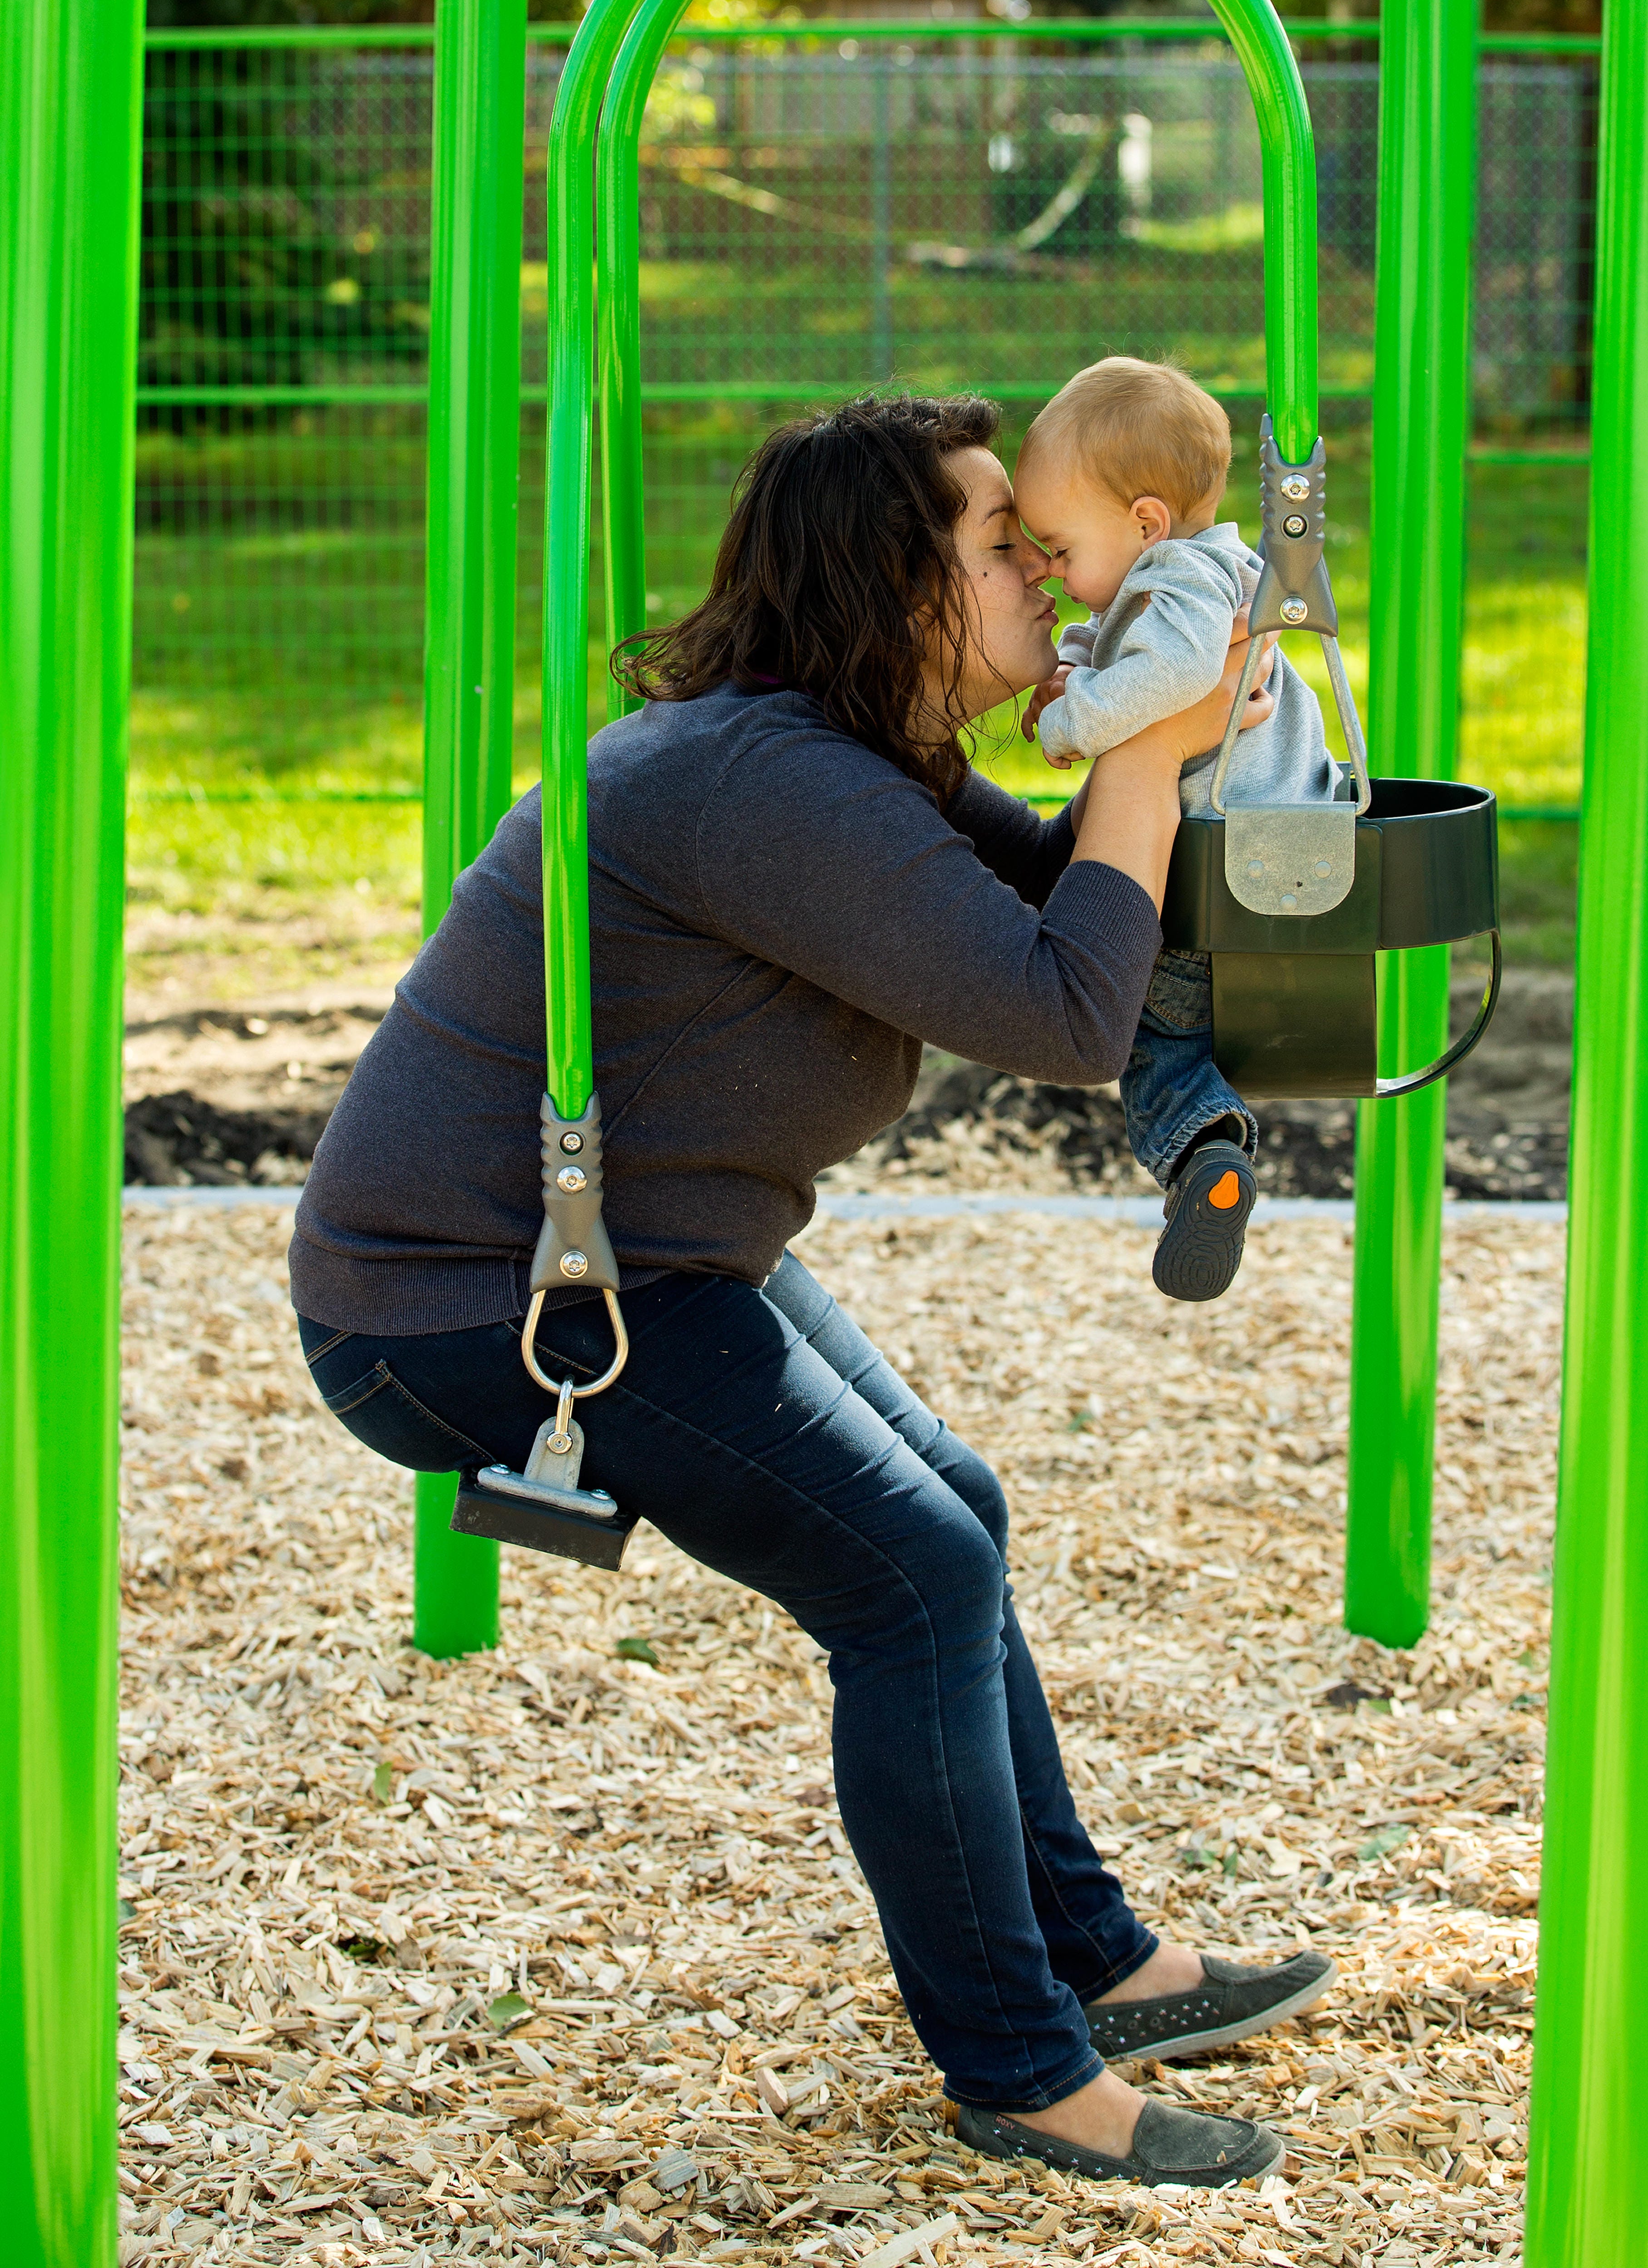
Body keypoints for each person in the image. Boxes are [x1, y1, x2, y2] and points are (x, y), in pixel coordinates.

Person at [290, 394, 1335, 2189]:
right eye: (999, 540)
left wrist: (1217, 753)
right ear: (890, 583)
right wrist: (1143, 758)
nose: (1039, 567)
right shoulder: (764, 788)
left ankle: (1104, 1964)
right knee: (907, 1572)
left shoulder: (860, 769)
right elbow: (1068, 1018)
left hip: (650, 1263)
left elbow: (1097, 922)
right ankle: (1019, 2072)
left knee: (955, 1514)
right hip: (475, 1302)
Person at [1016, 357, 1347, 1303]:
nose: (1047, 570)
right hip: (1283, 858)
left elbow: (1174, 672)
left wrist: (1075, 721)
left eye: (1059, 547)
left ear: (1146, 523)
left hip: (1213, 862)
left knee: (1149, 1040)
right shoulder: (1205, 570)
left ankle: (1206, 1153)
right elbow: (1123, 638)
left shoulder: (1184, 579)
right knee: (1199, 1032)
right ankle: (1214, 1142)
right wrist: (1077, 662)